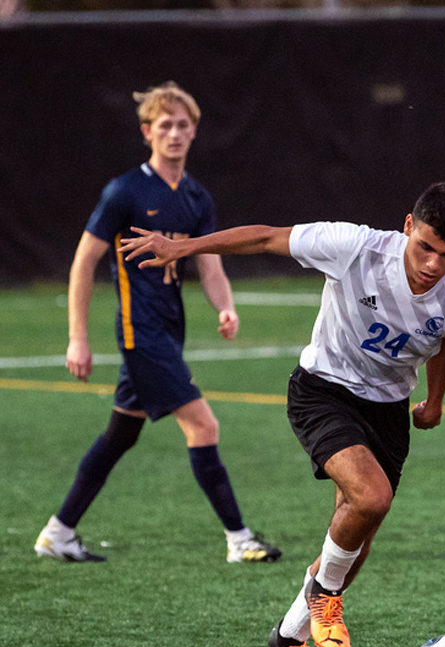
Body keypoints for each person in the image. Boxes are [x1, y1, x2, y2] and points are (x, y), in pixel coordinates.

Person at [121, 182, 445, 647]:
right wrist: (184, 248)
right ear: (407, 226)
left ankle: (288, 639)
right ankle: (324, 597)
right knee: (371, 497)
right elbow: (266, 237)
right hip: (323, 392)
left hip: (388, 411)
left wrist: (436, 401)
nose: (433, 264)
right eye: (425, 247)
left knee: (357, 538)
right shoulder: (354, 247)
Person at [34, 82, 280, 565]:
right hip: (139, 333)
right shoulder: (125, 191)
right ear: (147, 131)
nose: (174, 133)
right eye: (165, 125)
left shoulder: (195, 196)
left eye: (183, 125)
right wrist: (77, 338)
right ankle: (239, 539)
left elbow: (210, 265)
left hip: (168, 330)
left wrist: (225, 307)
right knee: (203, 424)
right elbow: (84, 263)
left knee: (121, 435)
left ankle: (57, 533)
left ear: (194, 132)